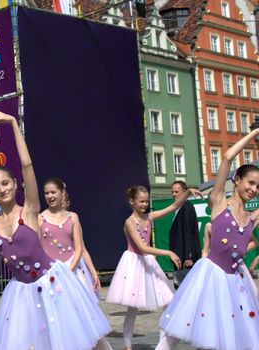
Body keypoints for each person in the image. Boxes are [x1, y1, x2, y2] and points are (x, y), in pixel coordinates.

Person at [0, 112, 112, 350]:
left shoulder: (30, 210)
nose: (2, 189)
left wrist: (13, 123)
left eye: (5, 183)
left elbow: (27, 165)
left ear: (14, 184)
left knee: (90, 341)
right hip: (22, 294)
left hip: (54, 283)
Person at [156, 129, 259, 350]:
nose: (253, 189)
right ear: (237, 179)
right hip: (210, 277)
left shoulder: (252, 218)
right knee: (177, 330)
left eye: (258, 186)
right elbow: (227, 157)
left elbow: (245, 243)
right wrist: (256, 133)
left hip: (236, 282)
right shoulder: (220, 202)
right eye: (250, 182)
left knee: (228, 337)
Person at [106, 185, 201, 350]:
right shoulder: (129, 222)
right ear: (132, 201)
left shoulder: (149, 217)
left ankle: (162, 345)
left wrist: (187, 193)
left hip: (149, 263)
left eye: (146, 201)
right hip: (134, 264)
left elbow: (173, 206)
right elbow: (142, 248)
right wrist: (168, 252)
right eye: (141, 201)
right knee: (133, 308)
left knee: (169, 303)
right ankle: (127, 345)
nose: (144, 204)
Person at [39, 177, 100, 300]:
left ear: (62, 193)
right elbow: (38, 249)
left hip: (72, 268)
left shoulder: (73, 217)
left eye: (53, 192)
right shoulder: (40, 218)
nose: (50, 196)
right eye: (46, 193)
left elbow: (80, 249)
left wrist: (92, 272)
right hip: (50, 271)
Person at [169, 181, 201, 271]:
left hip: (185, 258)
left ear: (185, 192)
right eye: (172, 192)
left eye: (176, 192)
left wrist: (188, 256)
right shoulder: (179, 207)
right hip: (179, 256)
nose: (174, 194)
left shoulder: (187, 207)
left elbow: (189, 233)